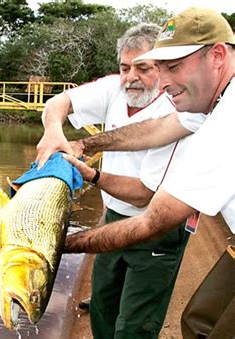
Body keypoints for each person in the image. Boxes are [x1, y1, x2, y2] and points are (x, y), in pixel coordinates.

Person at [59, 8, 234, 337]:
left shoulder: (225, 125)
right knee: (198, 320)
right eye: (161, 67)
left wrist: (57, 245)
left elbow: (151, 219)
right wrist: (85, 144)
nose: (165, 81)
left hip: (155, 230)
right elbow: (153, 129)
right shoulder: (212, 101)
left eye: (175, 67)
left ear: (218, 55)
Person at [37, 23, 195, 338]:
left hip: (157, 229)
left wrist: (92, 175)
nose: (130, 77)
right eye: (124, 67)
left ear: (163, 70)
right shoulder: (115, 87)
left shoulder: (180, 109)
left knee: (134, 327)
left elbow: (141, 194)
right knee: (103, 312)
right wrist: (53, 129)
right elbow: (58, 103)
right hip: (113, 216)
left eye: (143, 68)